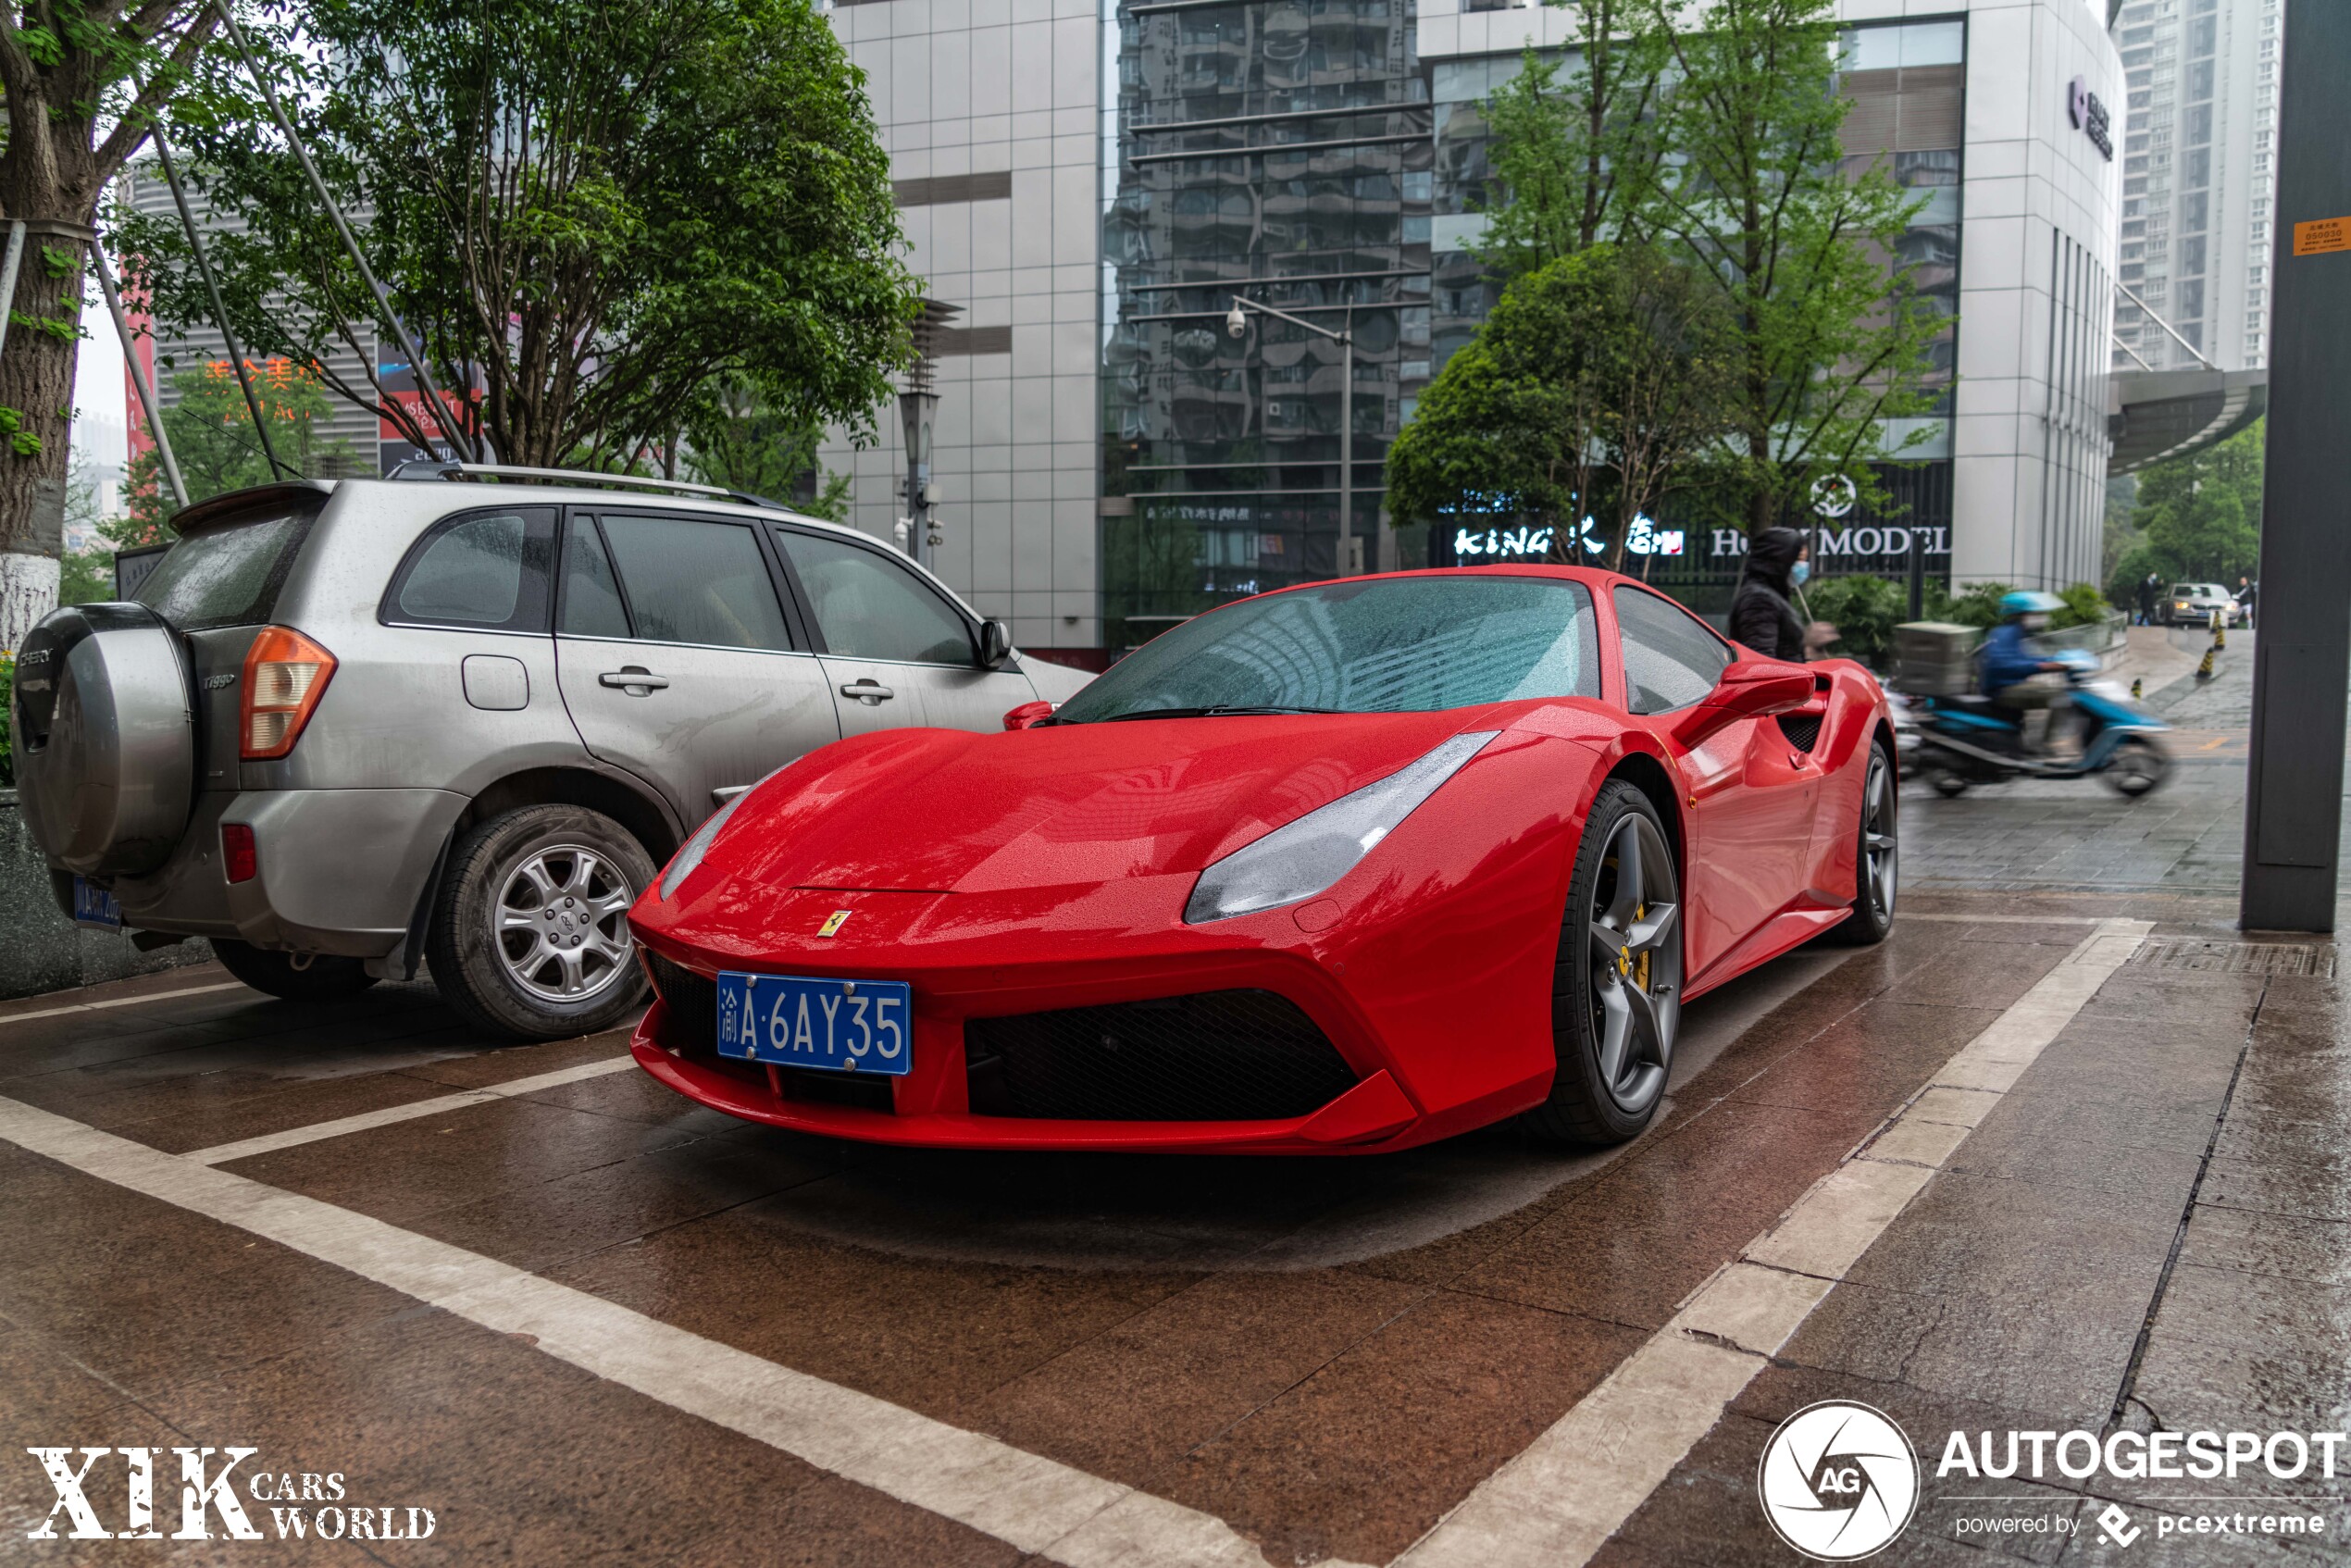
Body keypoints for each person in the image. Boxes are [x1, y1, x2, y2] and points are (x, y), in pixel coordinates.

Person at [1731, 527, 1837, 661]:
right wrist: (1806, 644)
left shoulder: (1772, 596)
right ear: (1778, 560)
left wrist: (1806, 647)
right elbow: (1761, 663)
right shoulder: (1760, 599)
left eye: (1804, 559)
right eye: (1798, 558)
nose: (1802, 565)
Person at [1980, 591, 2069, 747]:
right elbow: (2001, 664)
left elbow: (2022, 659)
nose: (2041, 616)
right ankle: (2049, 747)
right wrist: (2041, 666)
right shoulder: (2006, 633)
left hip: (2010, 684)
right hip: (2003, 689)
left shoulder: (2015, 632)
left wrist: (2054, 661)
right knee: (2061, 697)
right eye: (2037, 613)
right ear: (2022, 614)